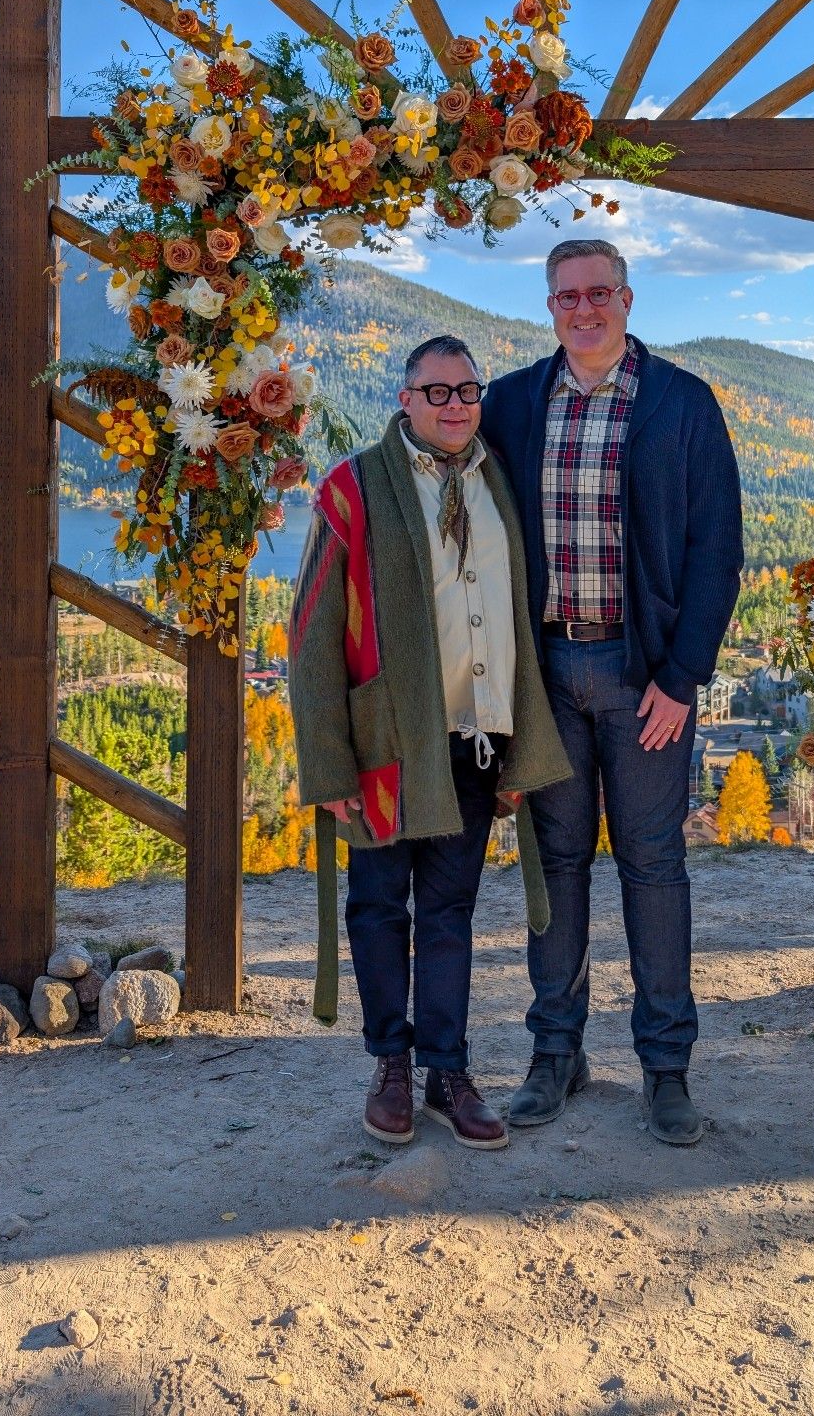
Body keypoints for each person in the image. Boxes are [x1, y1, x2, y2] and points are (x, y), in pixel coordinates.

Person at [482, 239, 743, 1145]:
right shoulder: (514, 403)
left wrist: (683, 678)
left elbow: (718, 551)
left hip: (645, 683)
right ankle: (556, 1054)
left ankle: (666, 1069)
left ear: (627, 300)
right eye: (567, 297)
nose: (583, 310)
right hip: (546, 674)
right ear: (547, 307)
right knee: (553, 870)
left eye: (599, 293)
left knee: (653, 867)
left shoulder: (682, 403)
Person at [289, 335, 571, 1150]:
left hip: (475, 739)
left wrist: (521, 741)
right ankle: (391, 1065)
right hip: (386, 743)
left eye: (467, 391)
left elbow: (513, 617)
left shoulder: (496, 482)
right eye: (436, 392)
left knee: (450, 911)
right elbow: (310, 632)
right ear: (404, 400)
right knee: (380, 905)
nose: (455, 405)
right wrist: (329, 762)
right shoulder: (354, 487)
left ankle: (448, 1069)